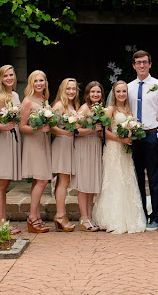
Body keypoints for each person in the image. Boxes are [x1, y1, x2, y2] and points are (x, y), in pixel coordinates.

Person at [92, 80, 146, 234]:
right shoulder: (110, 110)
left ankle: (129, 217)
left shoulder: (128, 109)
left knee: (127, 179)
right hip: (114, 149)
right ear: (114, 93)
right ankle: (112, 219)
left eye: (124, 91)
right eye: (118, 91)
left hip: (125, 151)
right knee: (114, 180)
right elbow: (103, 132)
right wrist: (120, 139)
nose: (121, 94)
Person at [127, 50, 158, 231]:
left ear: (150, 64)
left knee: (154, 178)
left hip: (152, 135)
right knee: (136, 177)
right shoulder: (128, 87)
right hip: (134, 138)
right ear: (134, 66)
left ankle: (156, 216)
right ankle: (141, 214)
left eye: (145, 62)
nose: (142, 65)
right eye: (138, 62)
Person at [0, 65, 22, 233]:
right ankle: (0, 224)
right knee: (0, 183)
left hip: (12, 139)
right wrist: (4, 127)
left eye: (11, 74)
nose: (9, 78)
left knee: (5, 183)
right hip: (2, 141)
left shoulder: (15, 95)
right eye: (5, 76)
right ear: (1, 79)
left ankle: (4, 222)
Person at [20, 70, 53, 233]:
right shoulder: (27, 101)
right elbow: (21, 126)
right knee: (42, 180)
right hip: (34, 143)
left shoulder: (45, 101)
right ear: (31, 83)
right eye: (36, 81)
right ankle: (32, 218)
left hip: (44, 142)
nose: (39, 83)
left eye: (42, 80)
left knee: (37, 181)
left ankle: (36, 216)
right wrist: (37, 129)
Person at [71, 81, 105, 232]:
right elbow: (75, 131)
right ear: (88, 94)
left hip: (95, 146)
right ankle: (83, 218)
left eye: (98, 92)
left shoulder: (100, 109)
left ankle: (89, 218)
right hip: (84, 146)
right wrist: (92, 130)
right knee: (84, 184)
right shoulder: (84, 108)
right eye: (92, 92)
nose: (95, 94)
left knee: (91, 184)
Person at [50, 78, 79, 232]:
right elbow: (52, 127)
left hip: (68, 144)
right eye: (68, 89)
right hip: (61, 144)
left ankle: (60, 215)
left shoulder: (72, 105)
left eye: (74, 89)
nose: (71, 92)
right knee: (63, 181)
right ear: (62, 89)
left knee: (64, 181)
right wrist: (66, 133)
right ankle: (60, 216)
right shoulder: (59, 105)